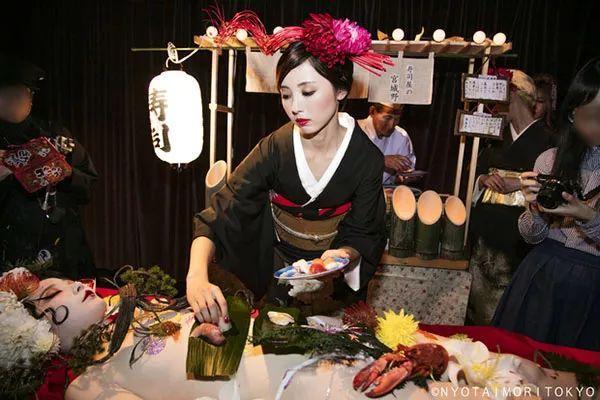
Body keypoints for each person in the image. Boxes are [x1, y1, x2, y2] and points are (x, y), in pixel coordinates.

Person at [186, 12, 389, 323]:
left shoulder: (366, 158)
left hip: (333, 280)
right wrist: (196, 276)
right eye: (285, 95)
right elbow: (220, 214)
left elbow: (365, 232)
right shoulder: (274, 149)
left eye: (308, 92)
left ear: (341, 89)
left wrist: (342, 256)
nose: (295, 107)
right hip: (279, 269)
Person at [493, 58, 600, 351]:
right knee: (518, 364)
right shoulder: (550, 159)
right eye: (585, 116)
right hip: (542, 275)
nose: (593, 126)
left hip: (592, 287)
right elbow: (531, 236)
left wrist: (588, 216)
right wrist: (535, 209)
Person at [467, 69, 554, 325]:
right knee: (476, 308)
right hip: (484, 236)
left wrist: (517, 183)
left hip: (518, 239)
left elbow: (554, 186)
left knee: (507, 312)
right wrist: (483, 180)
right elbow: (474, 172)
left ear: (513, 95)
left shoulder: (549, 140)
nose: (493, 106)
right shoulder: (496, 138)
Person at [0, 55, 98, 279]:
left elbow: (88, 184)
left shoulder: (55, 135)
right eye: (8, 93)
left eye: (23, 93)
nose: (16, 100)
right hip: (8, 257)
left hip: (62, 250)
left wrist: (64, 173)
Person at [357, 102, 416, 185]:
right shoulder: (355, 130)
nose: (391, 125)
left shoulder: (401, 136)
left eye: (397, 119)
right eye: (387, 118)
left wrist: (403, 176)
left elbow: (401, 176)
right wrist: (381, 160)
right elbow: (347, 164)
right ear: (372, 111)